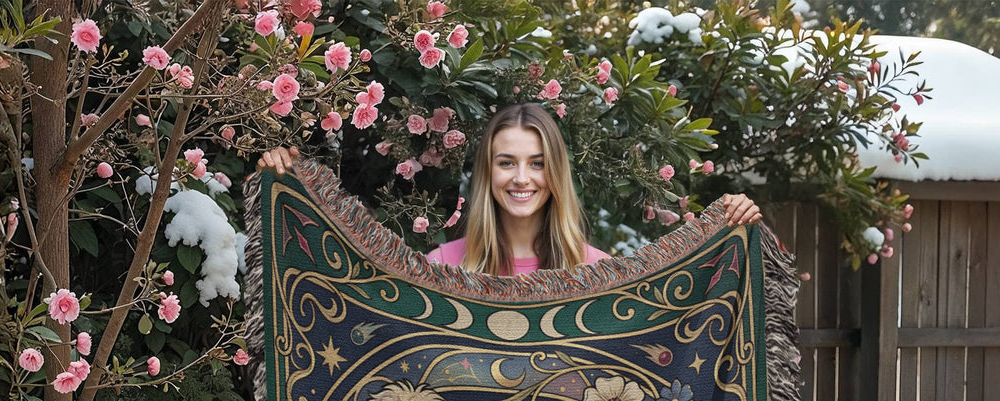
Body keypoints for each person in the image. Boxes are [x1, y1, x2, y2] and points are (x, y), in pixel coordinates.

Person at [257, 103, 761, 276]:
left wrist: (731, 225)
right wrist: (292, 190)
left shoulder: (602, 274)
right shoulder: (440, 269)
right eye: (507, 163)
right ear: (487, 174)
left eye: (537, 164)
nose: (522, 179)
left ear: (555, 176)